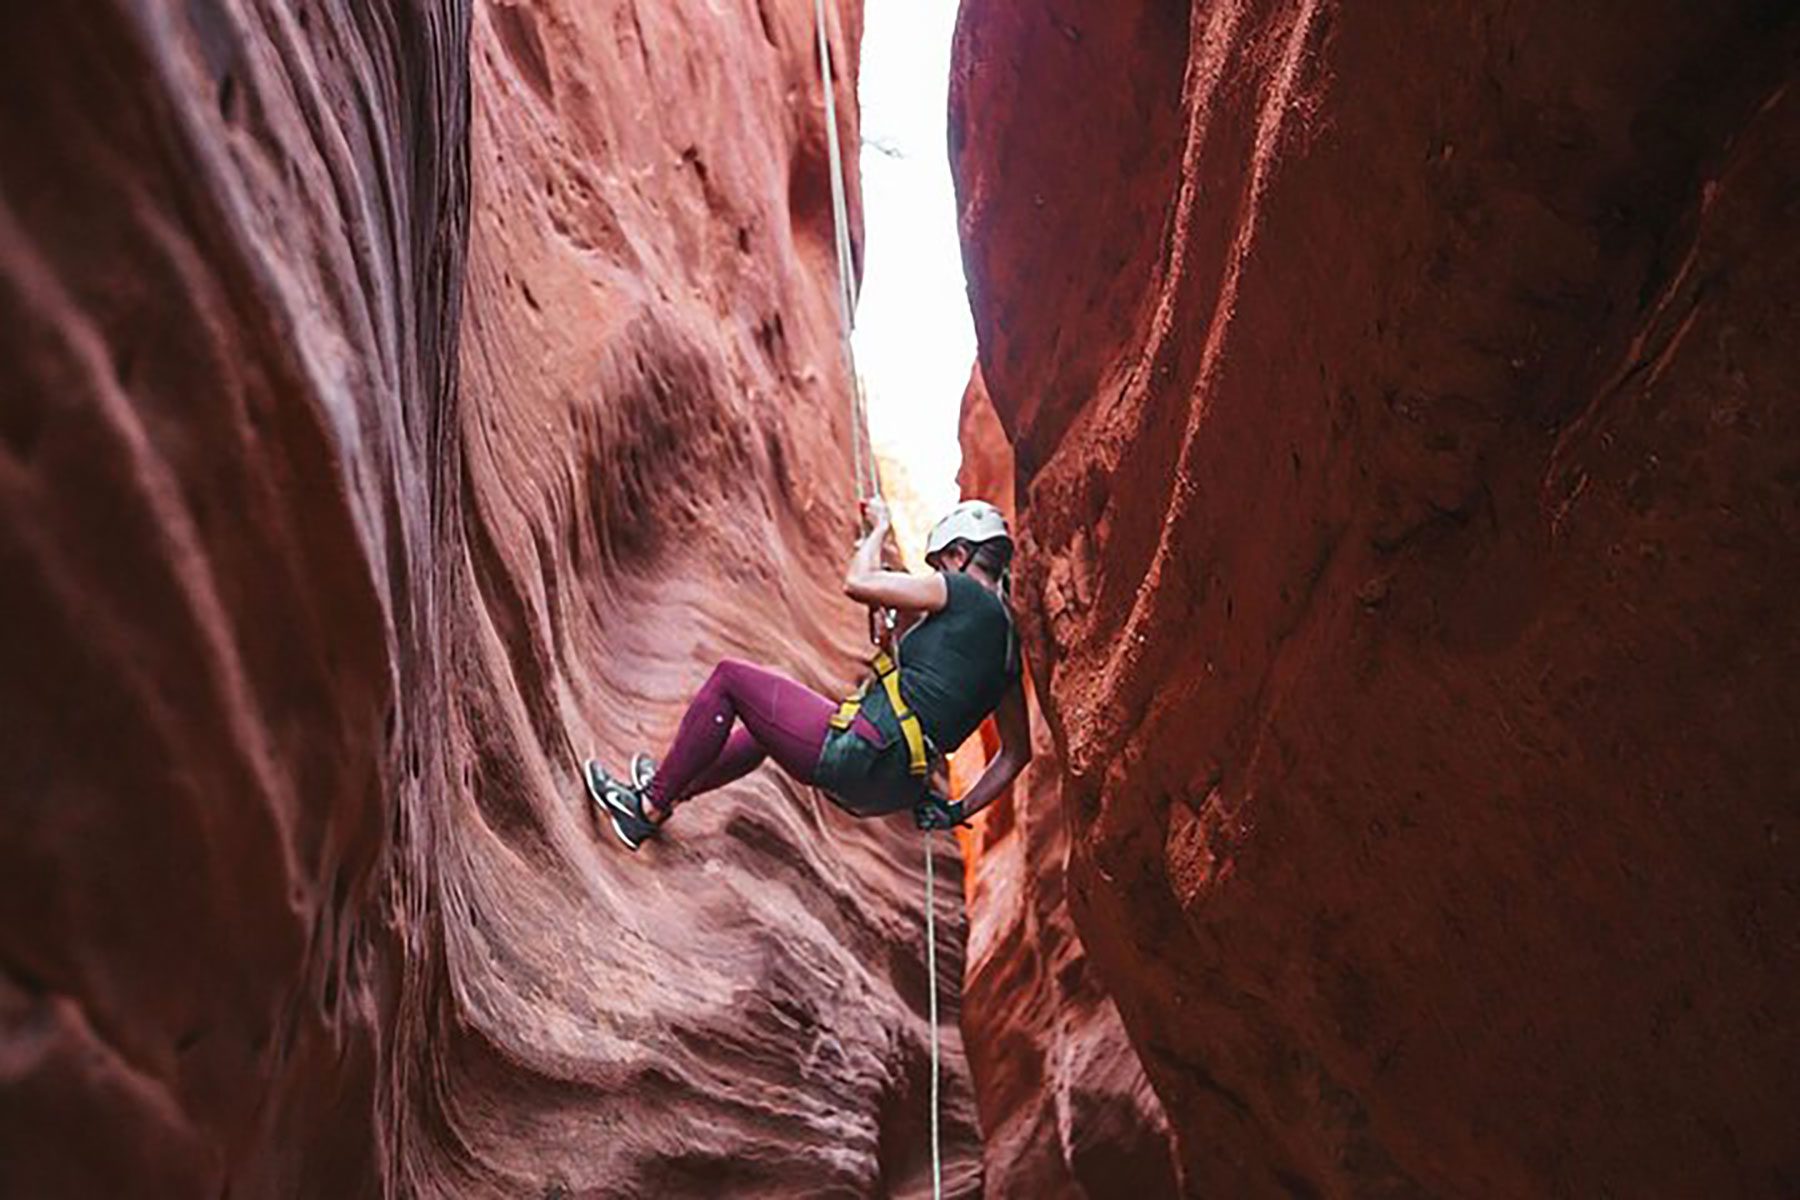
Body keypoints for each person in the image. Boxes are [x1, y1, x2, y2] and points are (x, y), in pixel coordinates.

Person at [585, 498, 1032, 850]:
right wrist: (957, 810)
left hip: (863, 751)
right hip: (896, 785)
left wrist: (877, 529)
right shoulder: (1010, 648)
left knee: (729, 680)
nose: (937, 571)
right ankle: (671, 787)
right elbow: (1016, 754)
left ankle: (644, 807)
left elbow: (858, 582)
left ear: (959, 553)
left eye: (940, 562)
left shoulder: (957, 589)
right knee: (765, 729)